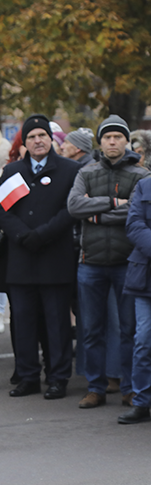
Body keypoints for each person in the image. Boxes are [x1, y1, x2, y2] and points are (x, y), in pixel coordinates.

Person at [0, 114, 80, 399]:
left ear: (51, 139)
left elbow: (71, 210)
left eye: (42, 135)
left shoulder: (70, 170)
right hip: (21, 259)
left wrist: (42, 234)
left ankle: (58, 378)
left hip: (55, 258)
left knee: (57, 324)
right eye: (31, 137)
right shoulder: (12, 172)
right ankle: (28, 376)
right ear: (25, 142)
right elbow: (0, 211)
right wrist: (22, 235)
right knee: (24, 322)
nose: (38, 140)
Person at [67, 115, 148, 409]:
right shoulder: (86, 173)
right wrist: (115, 204)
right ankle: (95, 387)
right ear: (99, 142)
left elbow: (138, 215)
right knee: (91, 329)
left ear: (126, 141)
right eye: (107, 137)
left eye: (117, 137)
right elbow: (75, 206)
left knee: (129, 330)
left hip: (128, 264)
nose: (112, 142)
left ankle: (129, 388)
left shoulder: (141, 176)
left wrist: (97, 213)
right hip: (90, 263)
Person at [120, 176, 151, 423]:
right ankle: (142, 403)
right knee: (143, 342)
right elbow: (134, 225)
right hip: (145, 280)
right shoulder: (144, 185)